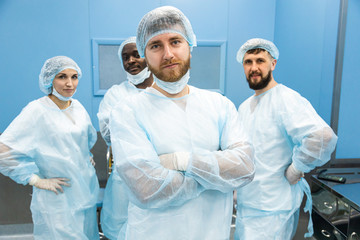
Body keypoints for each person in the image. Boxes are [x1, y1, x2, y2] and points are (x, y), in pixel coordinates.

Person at [109, 6, 255, 240]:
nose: (167, 54)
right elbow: (146, 189)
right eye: (155, 45)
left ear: (190, 45)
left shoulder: (219, 105)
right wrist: (216, 175)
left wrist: (182, 161)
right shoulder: (127, 111)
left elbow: (245, 168)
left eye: (175, 41)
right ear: (145, 54)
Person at [234, 38, 338, 239]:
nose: (254, 68)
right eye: (248, 62)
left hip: (273, 208)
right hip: (249, 204)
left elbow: (322, 137)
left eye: (260, 61)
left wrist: (296, 168)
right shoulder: (245, 106)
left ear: (272, 64)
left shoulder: (285, 98)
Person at [0, 56, 100, 239]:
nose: (69, 83)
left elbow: (84, 141)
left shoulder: (77, 107)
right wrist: (35, 180)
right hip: (57, 201)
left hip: (84, 194)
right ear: (49, 79)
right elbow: (3, 150)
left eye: (74, 77)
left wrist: (86, 155)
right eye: (62, 77)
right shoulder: (36, 110)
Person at [97, 36, 153, 240]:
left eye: (136, 55)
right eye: (125, 57)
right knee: (120, 227)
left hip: (159, 175)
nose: (130, 61)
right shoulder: (116, 94)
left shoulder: (163, 91)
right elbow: (109, 133)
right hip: (124, 179)